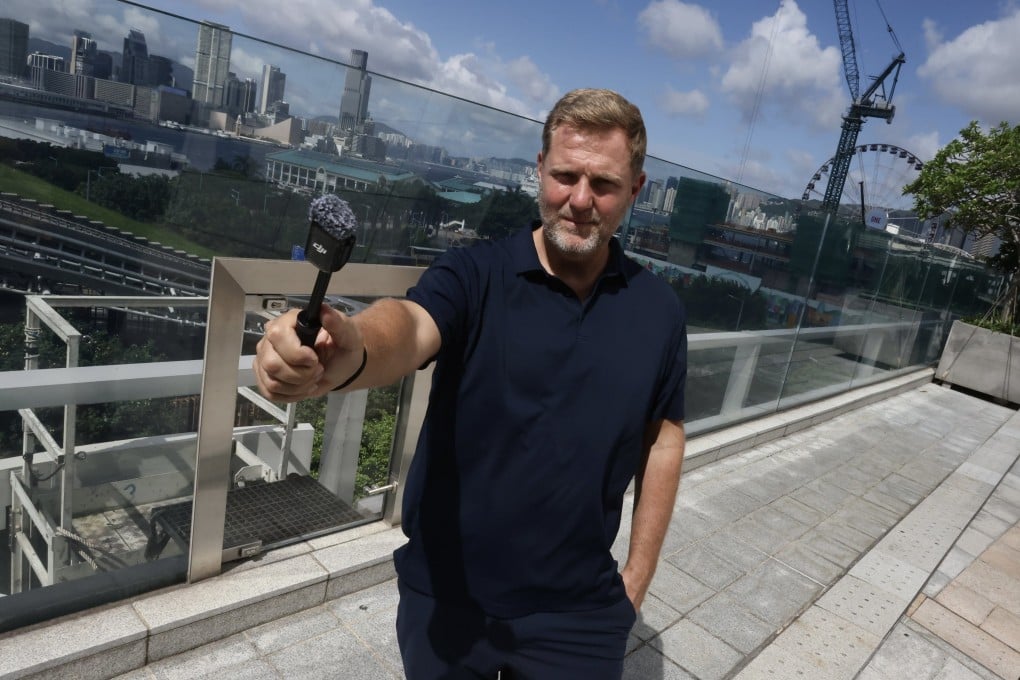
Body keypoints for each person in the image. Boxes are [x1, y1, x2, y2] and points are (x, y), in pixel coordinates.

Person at [254, 88, 688, 679]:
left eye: (604, 184)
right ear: (539, 170)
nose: (580, 200)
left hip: (581, 612)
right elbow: (408, 327)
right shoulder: (475, 274)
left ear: (635, 190)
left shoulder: (658, 312)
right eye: (564, 175)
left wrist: (635, 581)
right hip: (448, 597)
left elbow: (662, 437)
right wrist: (348, 348)